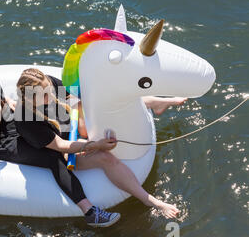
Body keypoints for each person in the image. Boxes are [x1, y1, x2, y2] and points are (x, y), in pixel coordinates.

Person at [0, 45, 120, 227]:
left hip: (10, 120)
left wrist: (11, 104)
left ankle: (81, 145)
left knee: (48, 118)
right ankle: (90, 212)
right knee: (52, 156)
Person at [15, 68, 183, 219]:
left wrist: (81, 116)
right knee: (106, 158)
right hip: (60, 148)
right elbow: (60, 146)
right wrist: (96, 145)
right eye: (43, 96)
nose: (50, 96)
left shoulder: (49, 82)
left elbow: (71, 96)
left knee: (102, 102)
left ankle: (154, 103)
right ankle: (151, 201)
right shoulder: (25, 119)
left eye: (49, 90)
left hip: (70, 125)